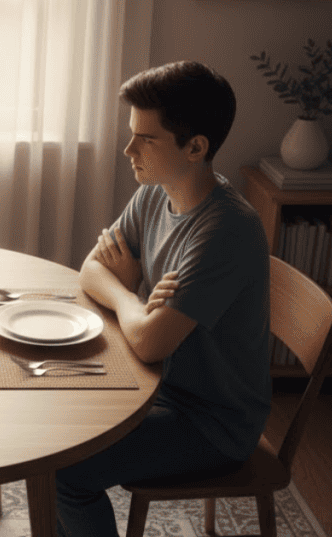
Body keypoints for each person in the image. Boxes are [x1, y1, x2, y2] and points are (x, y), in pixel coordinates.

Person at [59, 61, 271, 536]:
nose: (127, 149)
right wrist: (132, 297)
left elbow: (152, 344)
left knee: (64, 472)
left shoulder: (225, 232)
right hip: (160, 385)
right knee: (53, 424)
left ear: (195, 148)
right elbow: (91, 271)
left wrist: (129, 302)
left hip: (211, 423)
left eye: (145, 139)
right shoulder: (156, 193)